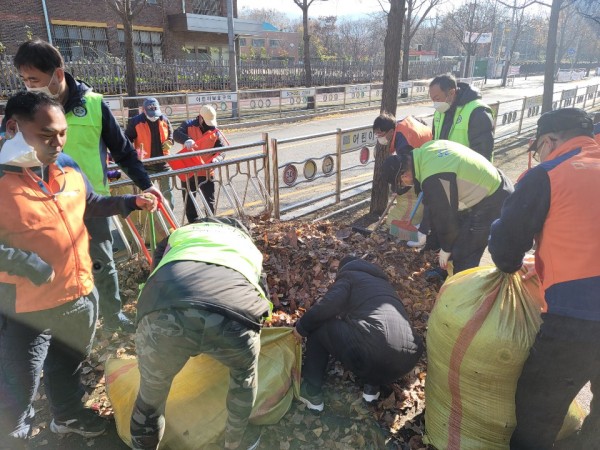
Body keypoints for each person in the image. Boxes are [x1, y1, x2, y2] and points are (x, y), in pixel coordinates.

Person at [0, 91, 157, 448]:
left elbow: (90, 203)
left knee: (68, 364)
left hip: (79, 295)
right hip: (25, 310)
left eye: (61, 133)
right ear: (13, 126)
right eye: (45, 134)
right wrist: (25, 263)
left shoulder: (67, 165)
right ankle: (13, 434)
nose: (56, 142)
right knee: (17, 387)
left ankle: (66, 416)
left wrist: (131, 201)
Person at [13, 39, 163, 333]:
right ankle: (73, 328)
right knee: (56, 269)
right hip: (45, 208)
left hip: (92, 204)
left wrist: (147, 185)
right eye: (25, 80)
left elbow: (123, 151)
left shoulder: (94, 105)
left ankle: (113, 316)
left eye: (35, 79)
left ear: (57, 74)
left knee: (102, 265)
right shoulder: (25, 110)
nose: (30, 86)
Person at [488, 108, 600, 450]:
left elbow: (507, 252)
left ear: (549, 141)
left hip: (577, 320)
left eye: (537, 148)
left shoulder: (548, 175)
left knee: (538, 408)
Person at [131, 218, 272, 450]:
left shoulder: (178, 236)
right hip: (233, 316)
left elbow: (156, 271)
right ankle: (234, 443)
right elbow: (261, 299)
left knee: (151, 395)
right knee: (243, 376)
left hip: (163, 312)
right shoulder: (248, 246)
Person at [293, 256, 423, 412]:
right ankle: (372, 388)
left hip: (374, 351)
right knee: (377, 336)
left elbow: (327, 306)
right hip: (408, 359)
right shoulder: (383, 284)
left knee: (319, 326)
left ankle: (311, 391)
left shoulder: (349, 276)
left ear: (343, 269)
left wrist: (301, 328)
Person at [385, 139, 513, 274]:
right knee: (454, 239)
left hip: (493, 198)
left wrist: (446, 248)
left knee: (465, 252)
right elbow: (432, 203)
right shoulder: (425, 152)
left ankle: (460, 287)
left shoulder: (433, 177)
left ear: (404, 175)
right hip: (486, 185)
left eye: (401, 183)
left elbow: (446, 216)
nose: (404, 185)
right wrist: (424, 229)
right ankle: (446, 272)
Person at [173, 105, 224, 221]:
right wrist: (186, 139)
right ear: (200, 118)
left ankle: (211, 222)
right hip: (189, 170)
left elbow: (221, 150)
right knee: (189, 202)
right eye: (206, 122)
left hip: (206, 171)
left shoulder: (215, 130)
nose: (208, 126)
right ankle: (193, 223)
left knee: (209, 202)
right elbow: (176, 134)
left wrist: (217, 159)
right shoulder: (188, 125)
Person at [429, 74, 494, 161]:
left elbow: (483, 153)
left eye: (437, 99)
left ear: (451, 93)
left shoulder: (478, 112)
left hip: (467, 172)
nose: (435, 104)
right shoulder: (439, 112)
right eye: (433, 100)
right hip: (446, 169)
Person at [125, 97, 175, 208]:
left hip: (164, 164)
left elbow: (171, 135)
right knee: (148, 198)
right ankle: (154, 222)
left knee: (167, 195)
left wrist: (169, 142)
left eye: (155, 113)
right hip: (146, 166)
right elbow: (126, 139)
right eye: (150, 113)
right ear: (144, 110)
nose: (154, 117)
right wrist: (134, 153)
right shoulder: (135, 122)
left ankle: (170, 220)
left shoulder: (165, 120)